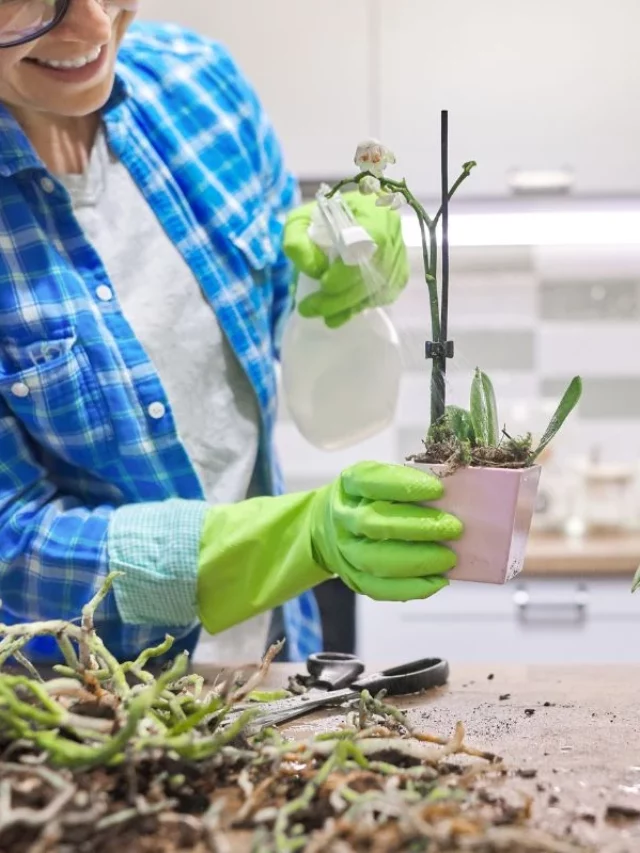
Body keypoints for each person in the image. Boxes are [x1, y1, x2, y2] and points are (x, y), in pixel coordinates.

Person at [0, 0, 463, 667]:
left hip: (268, 664)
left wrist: (334, 282)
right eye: (37, 5)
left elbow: (275, 320)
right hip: (75, 711)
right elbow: (14, 545)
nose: (96, 29)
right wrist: (286, 541)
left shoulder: (200, 85)